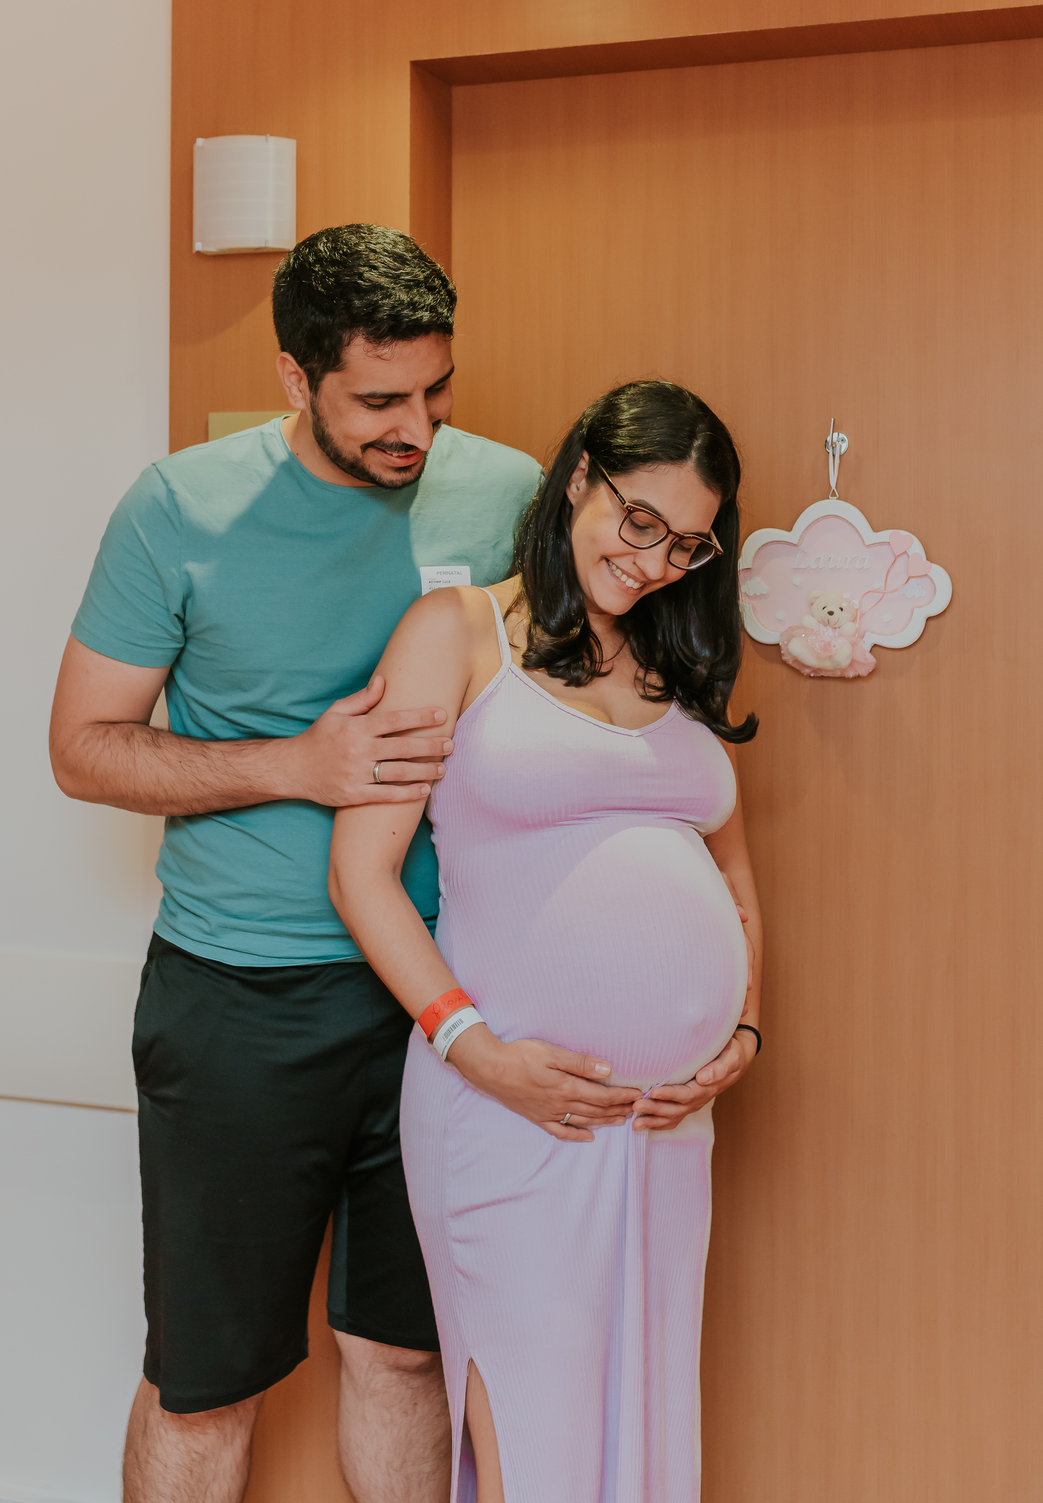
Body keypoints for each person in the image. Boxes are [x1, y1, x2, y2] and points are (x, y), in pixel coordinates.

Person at [48, 225, 546, 1503]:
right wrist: (294, 765)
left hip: (437, 1000)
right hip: (238, 1000)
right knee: (205, 1381)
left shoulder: (507, 493)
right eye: (380, 400)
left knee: (406, 1354)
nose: (418, 430)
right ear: (293, 377)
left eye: (436, 391)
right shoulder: (179, 506)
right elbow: (84, 749)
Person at [328, 380, 764, 1503]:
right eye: (640, 521)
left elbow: (734, 876)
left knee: (647, 1416)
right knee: (534, 1420)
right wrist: (476, 1049)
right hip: (508, 1103)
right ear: (580, 476)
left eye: (689, 542)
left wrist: (740, 1034)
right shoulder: (458, 632)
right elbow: (362, 873)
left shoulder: (682, 667)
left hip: (664, 1124)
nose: (658, 559)